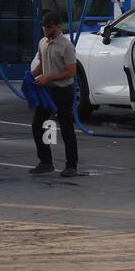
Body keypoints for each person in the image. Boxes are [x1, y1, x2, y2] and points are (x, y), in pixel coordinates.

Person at [28, 11, 80, 177]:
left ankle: (71, 165)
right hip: (47, 90)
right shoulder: (42, 42)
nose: (46, 30)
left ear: (58, 26)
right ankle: (45, 162)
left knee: (66, 127)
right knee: (37, 124)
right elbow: (42, 64)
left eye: (49, 27)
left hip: (63, 91)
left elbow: (71, 71)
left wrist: (48, 78)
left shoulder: (66, 46)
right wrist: (30, 76)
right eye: (44, 26)